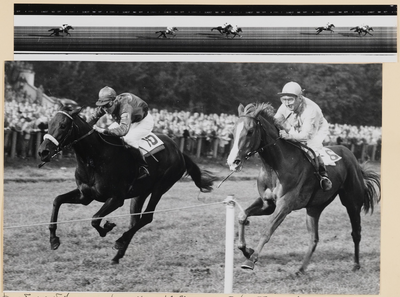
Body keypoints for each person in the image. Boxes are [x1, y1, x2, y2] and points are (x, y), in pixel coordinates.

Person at [274, 81, 332, 191]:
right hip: (298, 126)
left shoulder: (311, 110)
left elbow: (305, 135)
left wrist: (289, 136)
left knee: (311, 147)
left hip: (316, 130)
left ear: (299, 98)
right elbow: (276, 121)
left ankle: (323, 175)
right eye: (284, 99)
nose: (287, 103)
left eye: (290, 100)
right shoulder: (284, 106)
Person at [87, 86, 154, 180]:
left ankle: (142, 167)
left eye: (107, 105)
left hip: (142, 122)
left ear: (114, 101)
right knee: (106, 136)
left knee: (128, 139)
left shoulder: (125, 107)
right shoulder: (106, 105)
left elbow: (123, 131)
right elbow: (91, 120)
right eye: (103, 105)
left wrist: (103, 130)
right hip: (128, 121)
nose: (105, 109)